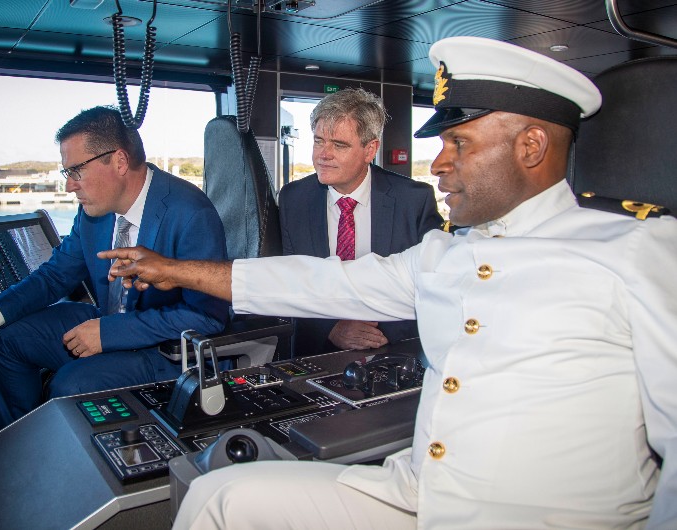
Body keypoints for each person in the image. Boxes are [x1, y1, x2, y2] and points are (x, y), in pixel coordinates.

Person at [100, 37, 677, 529]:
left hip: (537, 514)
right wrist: (173, 268)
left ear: (531, 146)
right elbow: (319, 281)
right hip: (416, 497)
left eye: (460, 143)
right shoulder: (446, 255)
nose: (441, 162)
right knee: (216, 496)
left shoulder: (636, 250)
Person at [0, 106, 230, 429]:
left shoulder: (190, 212)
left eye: (76, 171)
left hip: (162, 351)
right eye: (66, 173)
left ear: (119, 161)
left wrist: (107, 333)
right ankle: (20, 440)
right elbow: (55, 275)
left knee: (70, 384)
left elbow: (206, 317)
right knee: (6, 339)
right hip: (107, 319)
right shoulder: (94, 212)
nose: (70, 186)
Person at [279, 88, 442, 356]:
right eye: (319, 141)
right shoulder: (293, 199)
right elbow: (291, 279)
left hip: (394, 351)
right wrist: (331, 327)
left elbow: (430, 283)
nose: (323, 154)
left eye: (339, 145)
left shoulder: (414, 199)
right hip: (316, 352)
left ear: (370, 149)